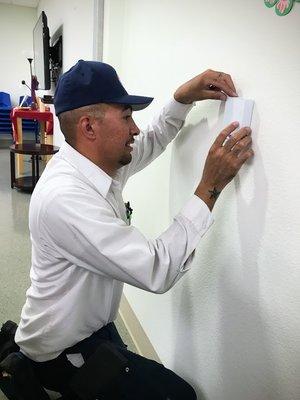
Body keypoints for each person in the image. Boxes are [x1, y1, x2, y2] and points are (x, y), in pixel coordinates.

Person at [15, 60, 253, 399]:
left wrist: (182, 98)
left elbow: (153, 139)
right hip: (58, 352)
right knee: (180, 396)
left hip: (94, 329)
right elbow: (156, 268)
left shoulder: (96, 164)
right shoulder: (66, 198)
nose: (135, 129)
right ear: (89, 127)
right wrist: (210, 186)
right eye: (126, 116)